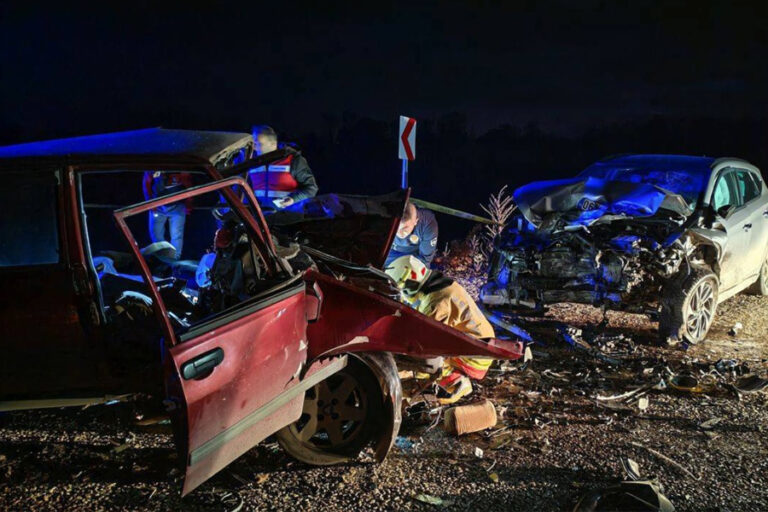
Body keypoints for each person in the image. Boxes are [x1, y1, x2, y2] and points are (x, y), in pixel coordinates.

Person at [385, 255, 494, 404]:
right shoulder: (442, 285)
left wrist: (403, 370)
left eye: (402, 290)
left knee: (422, 358)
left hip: (474, 356)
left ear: (410, 283)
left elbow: (424, 346)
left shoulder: (435, 304)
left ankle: (455, 382)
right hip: (482, 343)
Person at [247, 125, 318, 209]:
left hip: (289, 217)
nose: (254, 148)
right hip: (261, 217)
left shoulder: (293, 160)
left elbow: (311, 188)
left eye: (258, 144)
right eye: (253, 144)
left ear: (273, 144)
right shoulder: (251, 163)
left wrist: (293, 199)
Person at [142, 171, 192, 259]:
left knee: (177, 235)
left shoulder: (180, 167)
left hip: (177, 204)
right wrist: (149, 202)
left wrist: (189, 202)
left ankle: (175, 261)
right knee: (156, 234)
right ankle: (162, 259)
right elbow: (146, 182)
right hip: (157, 204)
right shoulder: (153, 166)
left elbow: (188, 183)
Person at [385, 201, 438, 268]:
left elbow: (425, 259)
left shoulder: (427, 225)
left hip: (413, 257)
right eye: (396, 228)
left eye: (405, 228)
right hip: (390, 253)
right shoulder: (385, 219)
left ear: (416, 221)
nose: (399, 233)